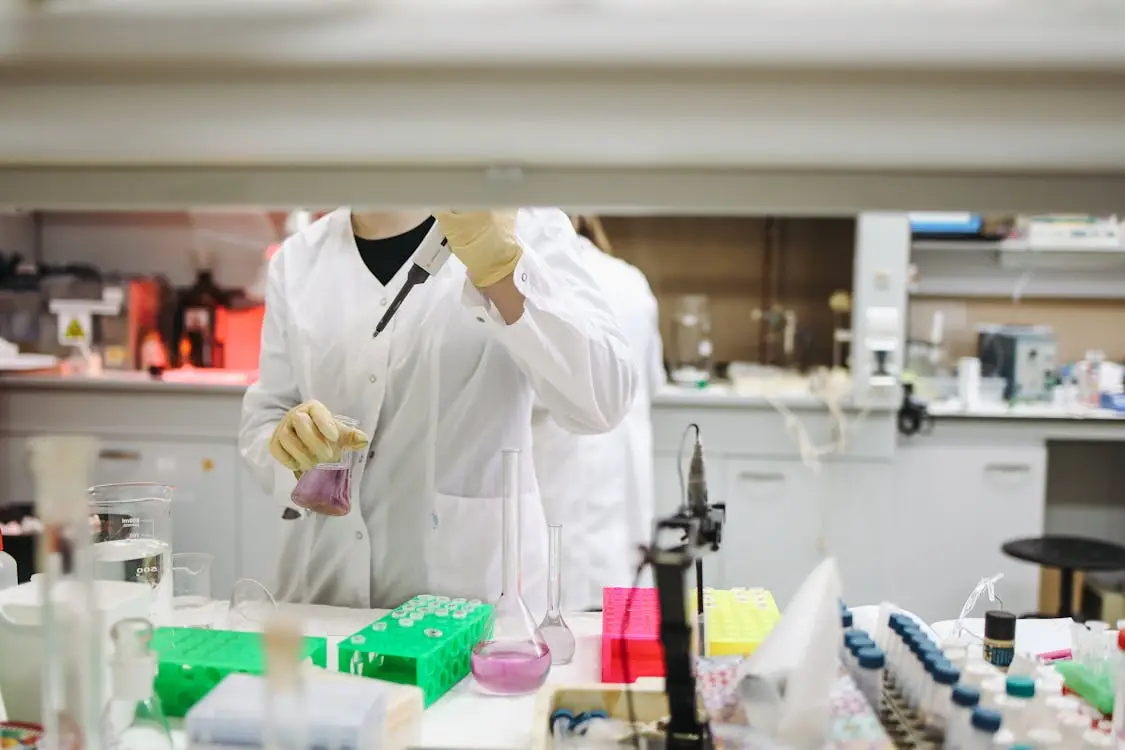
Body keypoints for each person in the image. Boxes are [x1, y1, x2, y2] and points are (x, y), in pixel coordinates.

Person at [239, 209, 637, 612]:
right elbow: (266, 416)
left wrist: (504, 269)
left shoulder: (525, 225)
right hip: (324, 599)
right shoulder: (298, 259)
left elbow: (603, 400)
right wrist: (288, 446)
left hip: (470, 607)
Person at [531, 215, 665, 611]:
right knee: (621, 651)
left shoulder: (527, 277)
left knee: (561, 647)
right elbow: (651, 383)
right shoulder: (631, 281)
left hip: (554, 517)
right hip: (624, 520)